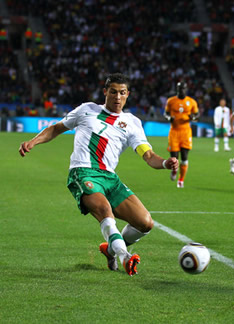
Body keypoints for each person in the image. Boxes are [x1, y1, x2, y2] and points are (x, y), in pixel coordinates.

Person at [18, 73, 179, 276]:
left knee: (145, 223)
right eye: (113, 92)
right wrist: (32, 142)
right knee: (104, 209)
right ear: (105, 92)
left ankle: (110, 250)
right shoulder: (87, 109)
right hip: (83, 172)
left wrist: (165, 163)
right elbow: (56, 128)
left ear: (128, 94)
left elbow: (148, 156)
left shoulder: (132, 123)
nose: (117, 97)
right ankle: (124, 257)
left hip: (110, 178)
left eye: (122, 93)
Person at [164, 81, 199, 188]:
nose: (181, 90)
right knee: (174, 158)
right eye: (179, 89)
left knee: (184, 157)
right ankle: (174, 170)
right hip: (174, 131)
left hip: (186, 132)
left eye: (183, 88)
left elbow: (197, 114)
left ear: (186, 89)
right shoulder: (171, 101)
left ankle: (181, 180)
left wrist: (193, 117)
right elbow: (166, 113)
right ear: (177, 89)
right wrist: (169, 118)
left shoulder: (191, 102)